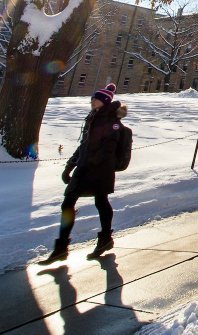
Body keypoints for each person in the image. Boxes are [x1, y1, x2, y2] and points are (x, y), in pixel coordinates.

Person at [42, 82, 127, 263]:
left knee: (101, 201)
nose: (92, 101)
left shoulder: (111, 122)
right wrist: (70, 165)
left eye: (95, 99)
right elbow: (84, 145)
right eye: (92, 98)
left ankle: (104, 238)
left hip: (99, 170)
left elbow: (107, 149)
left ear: (104, 101)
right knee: (68, 203)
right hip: (84, 168)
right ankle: (61, 247)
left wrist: (91, 163)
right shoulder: (93, 118)